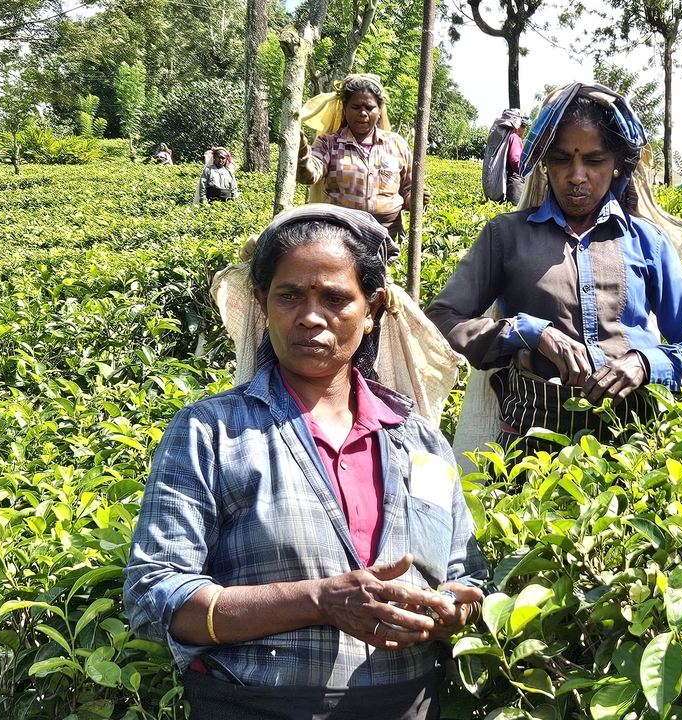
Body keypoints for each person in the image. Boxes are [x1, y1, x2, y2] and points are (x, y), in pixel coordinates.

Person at [124, 205, 487, 719]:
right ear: (262, 302)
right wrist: (319, 600)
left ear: (373, 309)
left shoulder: (421, 440)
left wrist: (450, 609)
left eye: (336, 298)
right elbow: (154, 594)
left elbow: (468, 576)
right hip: (253, 705)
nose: (310, 316)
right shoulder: (212, 431)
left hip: (408, 703)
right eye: (289, 295)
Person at [425, 83, 682, 451]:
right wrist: (528, 332)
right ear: (545, 163)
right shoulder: (506, 236)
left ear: (616, 167)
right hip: (533, 449)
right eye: (562, 159)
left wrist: (646, 363)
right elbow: (441, 319)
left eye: (594, 160)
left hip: (636, 448)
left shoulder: (648, 241)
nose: (577, 175)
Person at [297, 74, 427, 265]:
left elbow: (407, 189)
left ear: (380, 109)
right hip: (341, 238)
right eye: (356, 107)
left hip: (388, 238)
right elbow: (310, 174)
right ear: (344, 108)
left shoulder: (396, 144)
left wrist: (415, 199)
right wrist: (301, 154)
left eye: (369, 107)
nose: (363, 113)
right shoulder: (329, 143)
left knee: (385, 291)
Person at [481, 109, 528, 204]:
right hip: (514, 186)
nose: (524, 130)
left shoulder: (501, 140)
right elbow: (516, 162)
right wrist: (530, 173)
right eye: (524, 126)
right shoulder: (514, 137)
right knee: (518, 215)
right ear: (518, 126)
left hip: (500, 187)